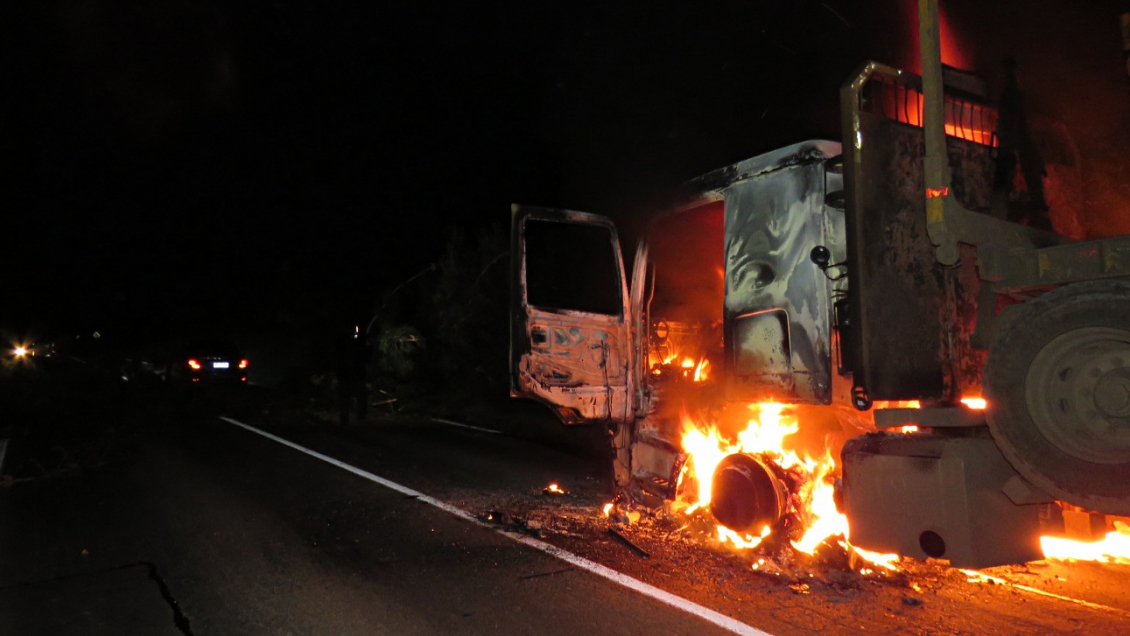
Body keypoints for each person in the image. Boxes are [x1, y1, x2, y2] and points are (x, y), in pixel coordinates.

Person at [993, 56, 1053, 231]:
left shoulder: (1010, 96)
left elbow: (1015, 123)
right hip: (1015, 146)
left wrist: (1009, 142)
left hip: (1012, 146)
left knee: (1006, 184)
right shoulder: (1014, 96)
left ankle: (1006, 217)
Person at [335, 325, 370, 427]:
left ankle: (359, 419)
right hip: (347, 375)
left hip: (356, 374)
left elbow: (365, 357)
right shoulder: (343, 344)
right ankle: (346, 419)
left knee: (359, 397)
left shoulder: (358, 344)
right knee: (347, 397)